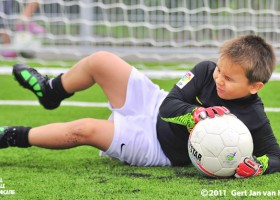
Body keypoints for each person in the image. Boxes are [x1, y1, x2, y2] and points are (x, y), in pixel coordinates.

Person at [0, 34, 280, 178]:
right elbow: (169, 106)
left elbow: (275, 156)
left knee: (83, 130)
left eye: (229, 78)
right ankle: (52, 91)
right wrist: (196, 114)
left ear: (255, 86)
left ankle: (11, 135)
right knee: (101, 60)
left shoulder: (253, 117)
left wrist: (259, 165)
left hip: (156, 147)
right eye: (220, 70)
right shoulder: (206, 71)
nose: (218, 78)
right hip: (154, 103)